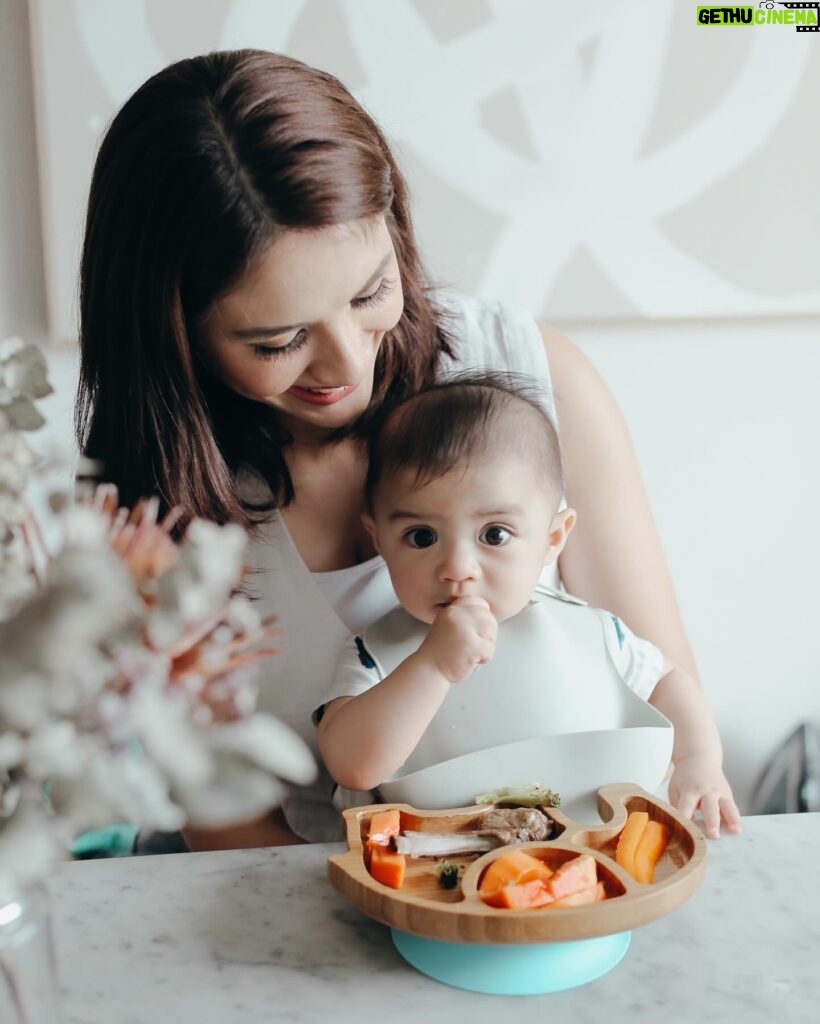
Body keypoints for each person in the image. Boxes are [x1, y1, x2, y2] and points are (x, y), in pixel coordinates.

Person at [76, 49, 724, 849]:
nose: (350, 366)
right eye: (279, 341)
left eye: (370, 293)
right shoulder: (152, 508)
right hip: (307, 911)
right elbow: (232, 828)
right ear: (174, 335)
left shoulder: (533, 378)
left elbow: (662, 707)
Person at [316, 373, 741, 839]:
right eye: (421, 537)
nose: (457, 567)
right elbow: (350, 765)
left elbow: (666, 681)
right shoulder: (375, 653)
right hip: (439, 885)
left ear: (552, 538)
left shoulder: (590, 630)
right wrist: (433, 666)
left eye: (494, 535)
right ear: (379, 539)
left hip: (596, 863)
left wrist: (700, 759)